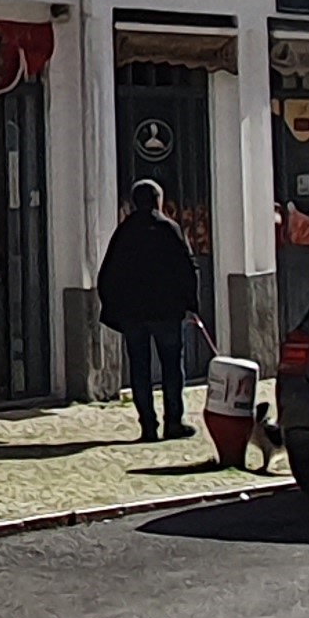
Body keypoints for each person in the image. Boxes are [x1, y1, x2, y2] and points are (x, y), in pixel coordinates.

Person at [96, 178, 205, 445]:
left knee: (140, 369)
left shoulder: (124, 232)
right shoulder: (170, 229)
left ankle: (147, 426)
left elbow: (107, 274)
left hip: (134, 314)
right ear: (158, 200)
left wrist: (114, 309)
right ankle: (174, 422)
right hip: (166, 312)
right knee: (171, 367)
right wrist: (190, 305)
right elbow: (187, 268)